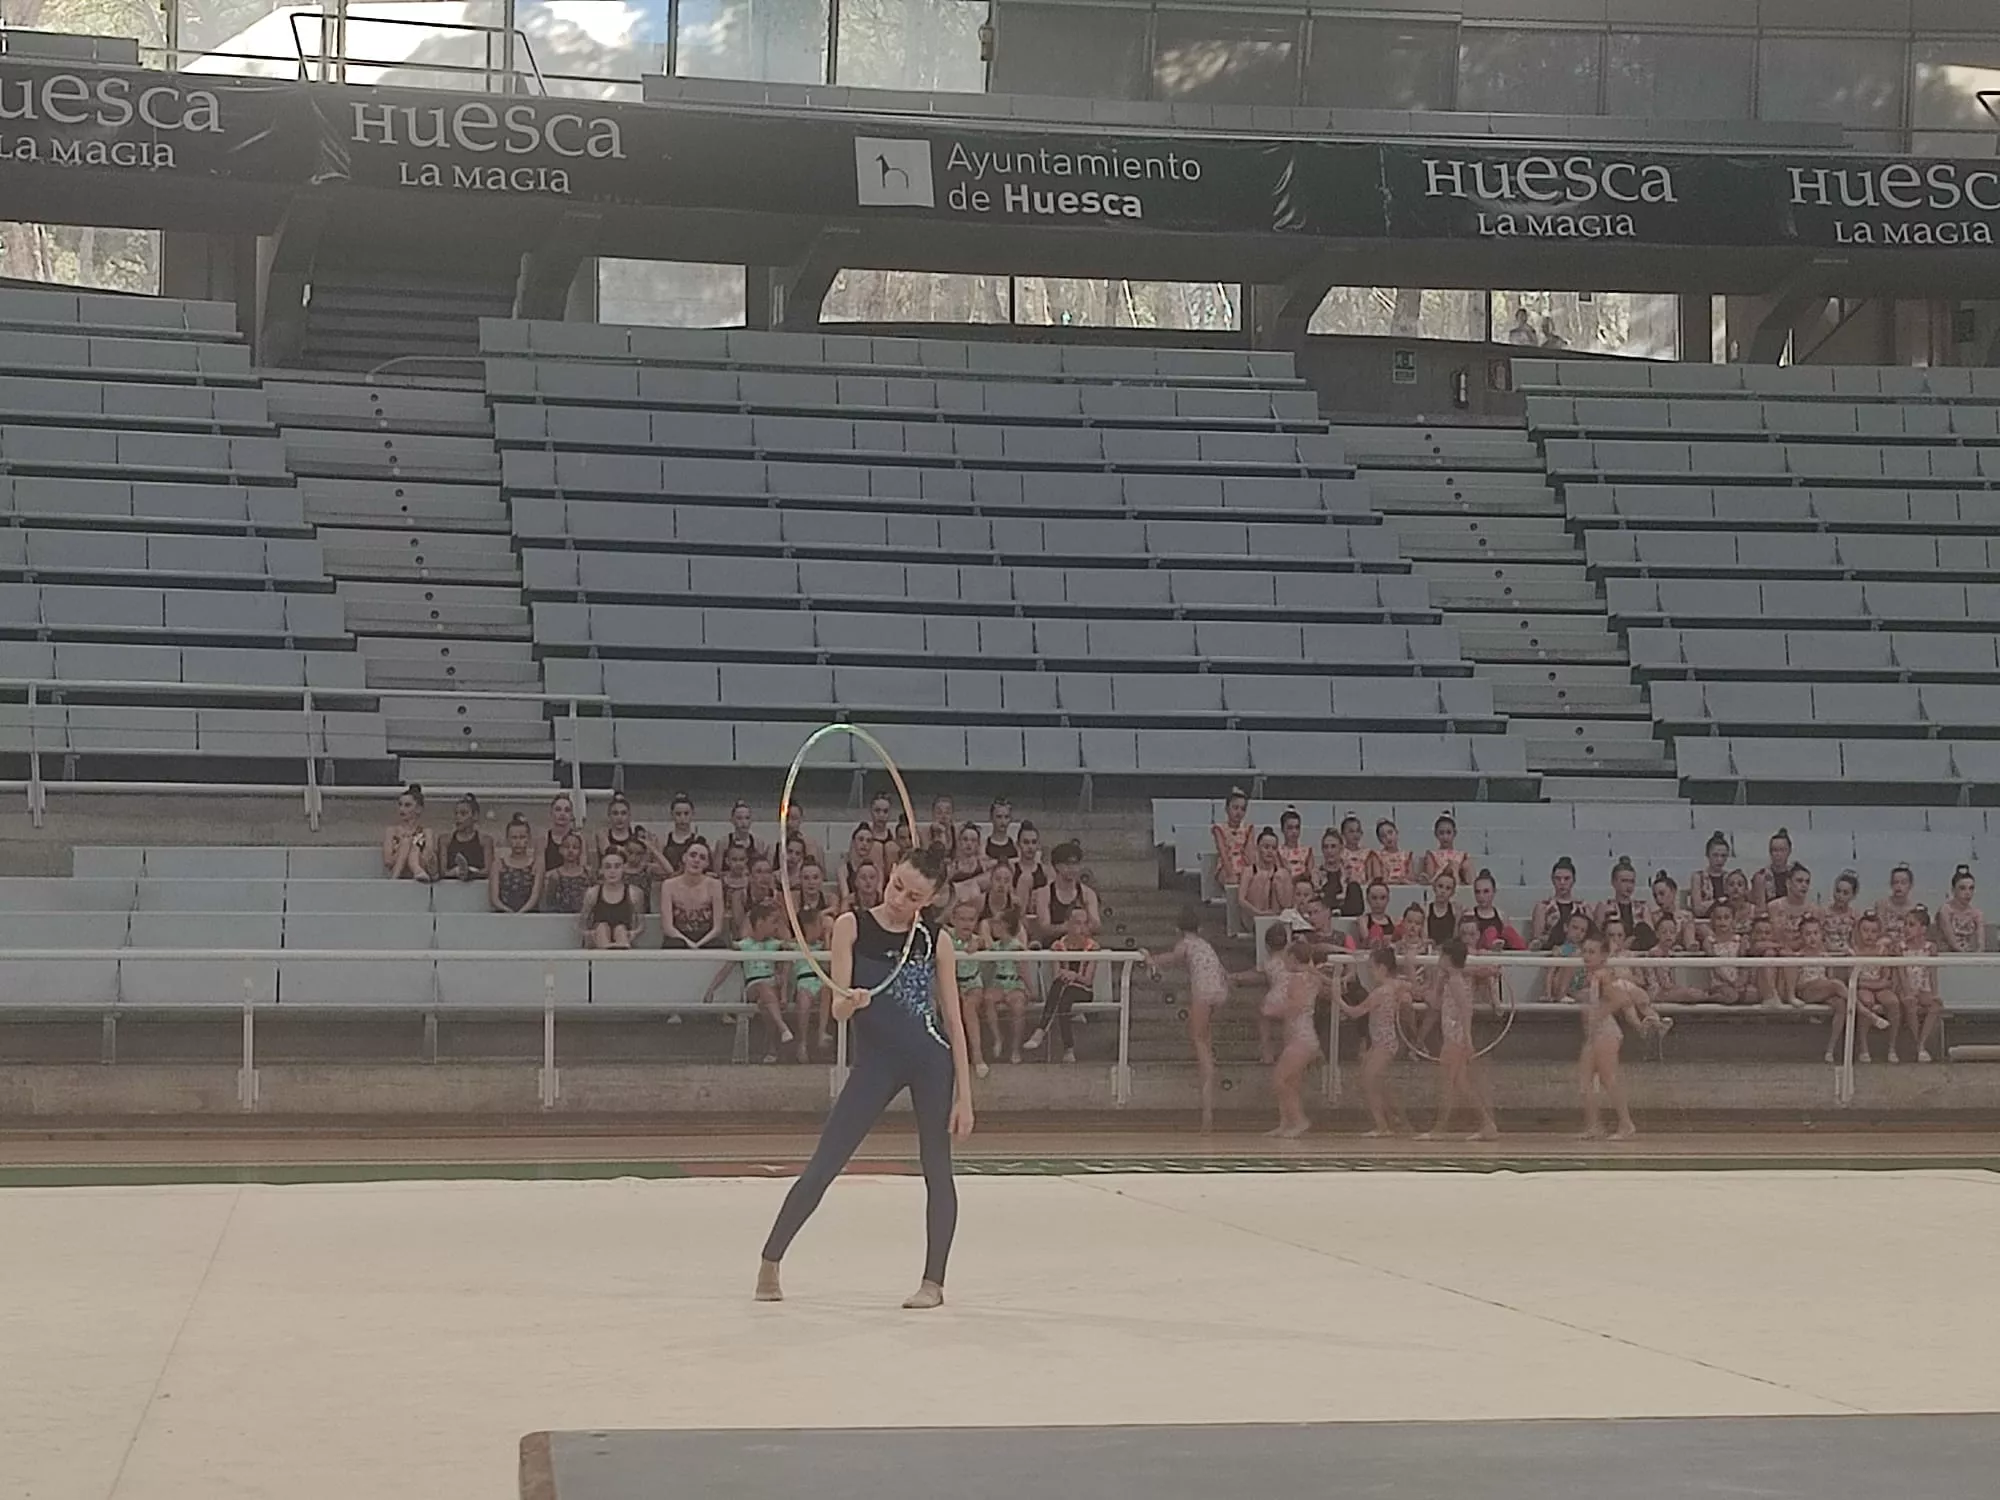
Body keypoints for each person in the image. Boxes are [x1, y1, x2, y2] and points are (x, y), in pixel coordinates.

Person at [757, 846, 973, 1311]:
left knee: (937, 1169)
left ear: (931, 900)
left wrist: (966, 1097)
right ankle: (770, 1261)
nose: (899, 899)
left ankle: (933, 1282)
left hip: (930, 1060)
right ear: (890, 873)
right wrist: (848, 1002)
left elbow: (953, 1021)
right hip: (877, 1060)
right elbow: (836, 1010)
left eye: (914, 896)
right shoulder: (851, 925)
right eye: (897, 886)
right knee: (826, 1162)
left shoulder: (936, 941)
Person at [1146, 907, 1230, 1133]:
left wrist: (1150, 959)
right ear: (1199, 928)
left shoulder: (1186, 944)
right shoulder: (1206, 945)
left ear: (1178, 930)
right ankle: (1209, 1077)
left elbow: (1172, 959)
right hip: (1220, 991)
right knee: (1205, 1037)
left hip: (1203, 992)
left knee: (1199, 1041)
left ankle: (1207, 1108)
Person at [1575, 935, 1666, 1141]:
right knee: (1584, 1081)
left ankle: (1626, 1124)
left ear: (1603, 956)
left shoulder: (1602, 975)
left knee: (1609, 1079)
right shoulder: (1594, 976)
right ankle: (1594, 1125)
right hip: (1594, 1035)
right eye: (1585, 951)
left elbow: (1621, 999)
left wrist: (1599, 1014)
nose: (1586, 956)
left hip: (1606, 1033)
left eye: (1592, 952)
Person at [1416, 938, 1499, 1141]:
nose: (1438, 958)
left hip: (1456, 1036)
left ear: (1448, 958)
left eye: (1441, 955)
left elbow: (1465, 1010)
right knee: (1460, 1084)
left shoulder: (1455, 981)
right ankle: (1487, 1124)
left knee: (1449, 1084)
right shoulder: (1449, 979)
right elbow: (1436, 1003)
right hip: (1452, 1034)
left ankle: (1439, 1129)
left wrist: (1467, 1039)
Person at [1264, 913, 1328, 1139]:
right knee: (1290, 1081)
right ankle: (1286, 1122)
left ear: (1292, 959)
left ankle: (1300, 1120)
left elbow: (1296, 1004)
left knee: (1280, 1079)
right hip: (1300, 1036)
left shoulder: (1297, 979)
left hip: (1301, 1037)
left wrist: (1273, 1010)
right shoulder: (1311, 978)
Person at [1341, 945, 1413, 1137]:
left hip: (1384, 1043)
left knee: (1369, 1080)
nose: (1371, 972)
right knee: (1375, 1081)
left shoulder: (1380, 992)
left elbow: (1355, 1012)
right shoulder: (1394, 985)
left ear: (1382, 968)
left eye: (1372, 968)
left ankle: (1382, 1125)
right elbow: (1409, 987)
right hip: (1382, 1042)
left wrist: (1336, 999)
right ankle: (1394, 1118)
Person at [1025, 905, 1098, 1062]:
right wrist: (1065, 975)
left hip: (1083, 990)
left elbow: (1088, 980)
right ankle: (1068, 1049)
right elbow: (1056, 974)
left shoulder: (1092, 947)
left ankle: (1041, 1030)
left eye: (1084, 923)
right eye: (1077, 923)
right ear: (1068, 924)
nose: (1081, 927)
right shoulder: (1058, 946)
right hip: (1063, 990)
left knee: (1065, 990)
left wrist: (1073, 975)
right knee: (1063, 997)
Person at [1842, 912, 1900, 1064]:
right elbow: (1853, 979)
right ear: (1858, 931)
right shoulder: (1852, 952)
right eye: (1865, 930)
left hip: (1878, 986)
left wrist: (1877, 984)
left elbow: (1886, 978)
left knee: (1893, 1002)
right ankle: (1864, 1048)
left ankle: (1892, 1048)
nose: (1869, 935)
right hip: (1862, 987)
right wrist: (1873, 984)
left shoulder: (1882, 951)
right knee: (1866, 1000)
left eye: (1874, 931)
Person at [948, 900, 993, 1080]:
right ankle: (952, 1058)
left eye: (971, 920)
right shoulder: (946, 938)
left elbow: (988, 943)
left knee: (968, 1006)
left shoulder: (976, 939)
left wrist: (980, 942)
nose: (967, 923)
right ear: (954, 920)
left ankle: (977, 1056)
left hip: (973, 984)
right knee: (948, 1010)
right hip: (951, 984)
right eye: (962, 919)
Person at [984, 907, 1030, 1065]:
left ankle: (1015, 1048)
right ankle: (998, 1038)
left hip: (1014, 982)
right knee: (988, 999)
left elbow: (1023, 970)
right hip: (999, 982)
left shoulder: (1017, 946)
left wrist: (1031, 989)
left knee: (1018, 1007)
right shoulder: (996, 947)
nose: (993, 926)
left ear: (1005, 925)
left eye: (996, 923)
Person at [660, 841, 725, 952]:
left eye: (702, 858)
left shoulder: (715, 885)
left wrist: (698, 944)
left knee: (717, 945)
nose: (696, 860)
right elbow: (668, 928)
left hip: (706, 937)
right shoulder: (668, 885)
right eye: (693, 855)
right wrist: (689, 943)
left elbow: (717, 928)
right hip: (678, 937)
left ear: (707, 864)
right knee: (674, 944)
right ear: (684, 858)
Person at [1899, 907, 1943, 1064]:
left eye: (1911, 924)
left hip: (1923, 988)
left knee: (1936, 1005)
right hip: (1906, 988)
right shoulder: (1900, 947)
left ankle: (1920, 1044)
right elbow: (1902, 973)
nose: (1906, 928)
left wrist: (1935, 993)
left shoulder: (1930, 948)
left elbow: (1932, 973)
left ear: (1923, 928)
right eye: (1905, 924)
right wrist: (1908, 992)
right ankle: (1921, 1047)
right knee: (1910, 1003)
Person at [1033, 841, 1101, 941]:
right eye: (1067, 864)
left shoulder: (1087, 894)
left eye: (1075, 864)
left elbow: (1096, 925)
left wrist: (1077, 929)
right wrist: (1069, 926)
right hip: (1051, 950)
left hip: (1080, 949)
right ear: (1056, 866)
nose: (1072, 868)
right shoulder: (1044, 894)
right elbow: (1044, 928)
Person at [1212, 789, 1255, 932]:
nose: (1239, 812)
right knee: (1233, 881)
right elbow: (1223, 853)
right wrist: (1230, 873)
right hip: (1226, 866)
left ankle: (1249, 920)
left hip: (1243, 865)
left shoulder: (1249, 828)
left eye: (1243, 809)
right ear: (1227, 809)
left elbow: (1250, 853)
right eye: (1235, 808)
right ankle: (1236, 924)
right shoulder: (1219, 828)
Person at [582, 849, 639, 950]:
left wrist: (633, 933)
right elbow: (581, 922)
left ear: (624, 869)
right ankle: (604, 952)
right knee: (601, 928)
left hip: (623, 936)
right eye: (608, 867)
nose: (612, 871)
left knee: (620, 930)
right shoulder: (592, 893)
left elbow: (640, 924)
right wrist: (589, 934)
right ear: (602, 870)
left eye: (617, 867)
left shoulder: (633, 893)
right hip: (599, 938)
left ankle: (620, 953)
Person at [1238, 830, 1295, 926]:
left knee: (1280, 876)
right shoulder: (1248, 871)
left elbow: (1288, 904)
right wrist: (1258, 913)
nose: (1270, 851)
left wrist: (1287, 875)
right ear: (1258, 848)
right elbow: (1241, 900)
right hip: (1254, 917)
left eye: (1273, 848)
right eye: (1266, 847)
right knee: (1259, 878)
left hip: (1276, 917)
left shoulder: (1281, 873)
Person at [489, 814, 543, 914]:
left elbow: (535, 896)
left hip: (529, 916)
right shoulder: (498, 865)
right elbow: (494, 898)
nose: (518, 842)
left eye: (522, 837)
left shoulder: (536, 865)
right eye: (514, 837)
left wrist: (521, 913)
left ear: (529, 839)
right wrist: (508, 912)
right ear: (507, 839)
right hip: (503, 915)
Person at [382, 783, 435, 882]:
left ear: (418, 809)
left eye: (407, 805)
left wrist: (413, 848)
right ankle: (397, 876)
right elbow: (388, 861)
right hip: (397, 871)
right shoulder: (391, 831)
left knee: (411, 844)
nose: (402, 809)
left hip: (420, 876)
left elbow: (427, 859)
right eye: (400, 805)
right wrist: (404, 847)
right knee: (406, 842)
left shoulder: (426, 832)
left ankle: (414, 871)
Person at [1529, 857, 1582, 950]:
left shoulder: (1582, 907)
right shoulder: (1543, 907)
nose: (1562, 883)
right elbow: (1537, 939)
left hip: (1577, 956)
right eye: (1558, 879)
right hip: (1549, 955)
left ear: (1573, 880)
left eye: (1567, 879)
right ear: (1552, 880)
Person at [540, 832, 591, 917]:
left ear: (580, 851)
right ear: (560, 849)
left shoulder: (588, 875)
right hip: (558, 919)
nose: (570, 850)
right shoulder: (552, 875)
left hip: (582, 919)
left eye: (575, 847)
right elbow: (546, 905)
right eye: (567, 847)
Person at [1937, 866, 1985, 955]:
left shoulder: (1977, 913)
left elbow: (1981, 944)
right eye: (1962, 888)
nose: (1968, 893)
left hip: (1969, 958)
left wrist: (1976, 957)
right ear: (1953, 890)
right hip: (1947, 957)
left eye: (1971, 888)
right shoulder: (1946, 910)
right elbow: (1953, 943)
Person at [1418, 813, 1474, 888]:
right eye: (1441, 833)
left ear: (1454, 833)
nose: (1445, 837)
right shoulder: (1432, 855)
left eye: (1448, 832)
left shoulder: (1462, 855)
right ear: (1436, 834)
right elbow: (1430, 877)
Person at [1689, 831, 1734, 922]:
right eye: (1715, 855)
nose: (1719, 860)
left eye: (1723, 856)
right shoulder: (1698, 877)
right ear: (1708, 855)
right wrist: (1718, 902)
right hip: (1705, 922)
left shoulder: (1730, 877)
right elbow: (1698, 909)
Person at [658, 793, 704, 875]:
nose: (682, 818)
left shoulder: (699, 840)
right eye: (678, 814)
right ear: (672, 815)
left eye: (686, 813)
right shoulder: (664, 841)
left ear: (692, 814)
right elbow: (658, 867)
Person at [1750, 828, 1796, 907]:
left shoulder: (1796, 873)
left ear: (1789, 851)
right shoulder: (1761, 876)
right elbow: (1760, 905)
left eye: (1782, 850)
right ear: (1770, 852)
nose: (1778, 854)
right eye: (1775, 850)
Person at [1275, 807, 1315, 889]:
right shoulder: (1277, 851)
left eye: (1297, 827)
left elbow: (1311, 875)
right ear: (1282, 829)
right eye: (1290, 828)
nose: (1294, 831)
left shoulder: (1308, 851)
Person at [541, 793, 580, 875]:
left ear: (571, 815)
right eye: (558, 809)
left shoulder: (579, 839)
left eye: (567, 810)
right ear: (551, 813)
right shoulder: (544, 839)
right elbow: (540, 872)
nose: (562, 813)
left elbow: (583, 871)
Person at [1369, 818, 1413, 887]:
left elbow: (1411, 878)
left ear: (1397, 832)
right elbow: (1377, 879)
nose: (1388, 837)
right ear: (1380, 840)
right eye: (1383, 836)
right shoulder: (1377, 856)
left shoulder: (1407, 856)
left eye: (1390, 832)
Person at [1422, 869, 1460, 946]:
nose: (1443, 891)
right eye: (1440, 886)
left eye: (1448, 888)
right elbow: (1424, 938)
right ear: (1434, 887)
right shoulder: (1426, 910)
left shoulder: (1455, 911)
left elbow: (1456, 938)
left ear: (1452, 893)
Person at [984, 798, 1019, 866]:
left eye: (1006, 817)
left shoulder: (1016, 845)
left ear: (1010, 819)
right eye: (999, 817)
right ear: (991, 818)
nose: (1003, 821)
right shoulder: (984, 844)